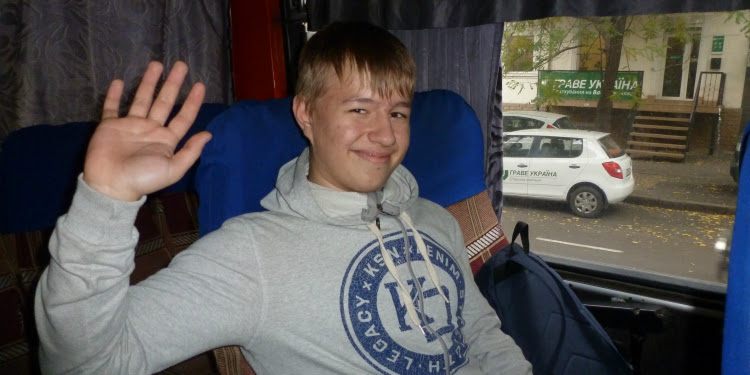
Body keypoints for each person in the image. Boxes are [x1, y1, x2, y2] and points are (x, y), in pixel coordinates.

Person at [35, 22, 532, 374]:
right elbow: (86, 363)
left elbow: (480, 330)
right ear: (306, 115)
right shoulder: (253, 255)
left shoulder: (435, 221)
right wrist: (106, 201)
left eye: (398, 113)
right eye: (359, 109)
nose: (384, 135)